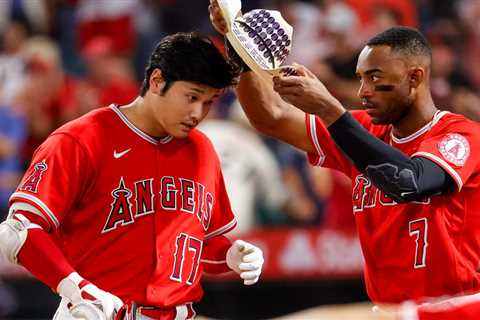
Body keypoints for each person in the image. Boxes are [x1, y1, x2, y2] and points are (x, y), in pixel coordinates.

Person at [209, 0, 480, 306]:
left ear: (415, 78)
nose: (363, 90)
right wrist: (237, 47)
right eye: (361, 77)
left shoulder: (461, 135)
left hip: (452, 308)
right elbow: (270, 117)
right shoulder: (360, 129)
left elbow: (409, 181)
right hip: (388, 308)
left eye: (374, 78)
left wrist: (331, 111)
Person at [0, 32, 264, 320]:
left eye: (209, 102)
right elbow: (18, 232)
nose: (197, 112)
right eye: (191, 97)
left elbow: (199, 243)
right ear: (157, 81)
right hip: (96, 314)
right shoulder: (83, 137)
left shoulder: (202, 150)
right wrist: (77, 289)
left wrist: (230, 254)